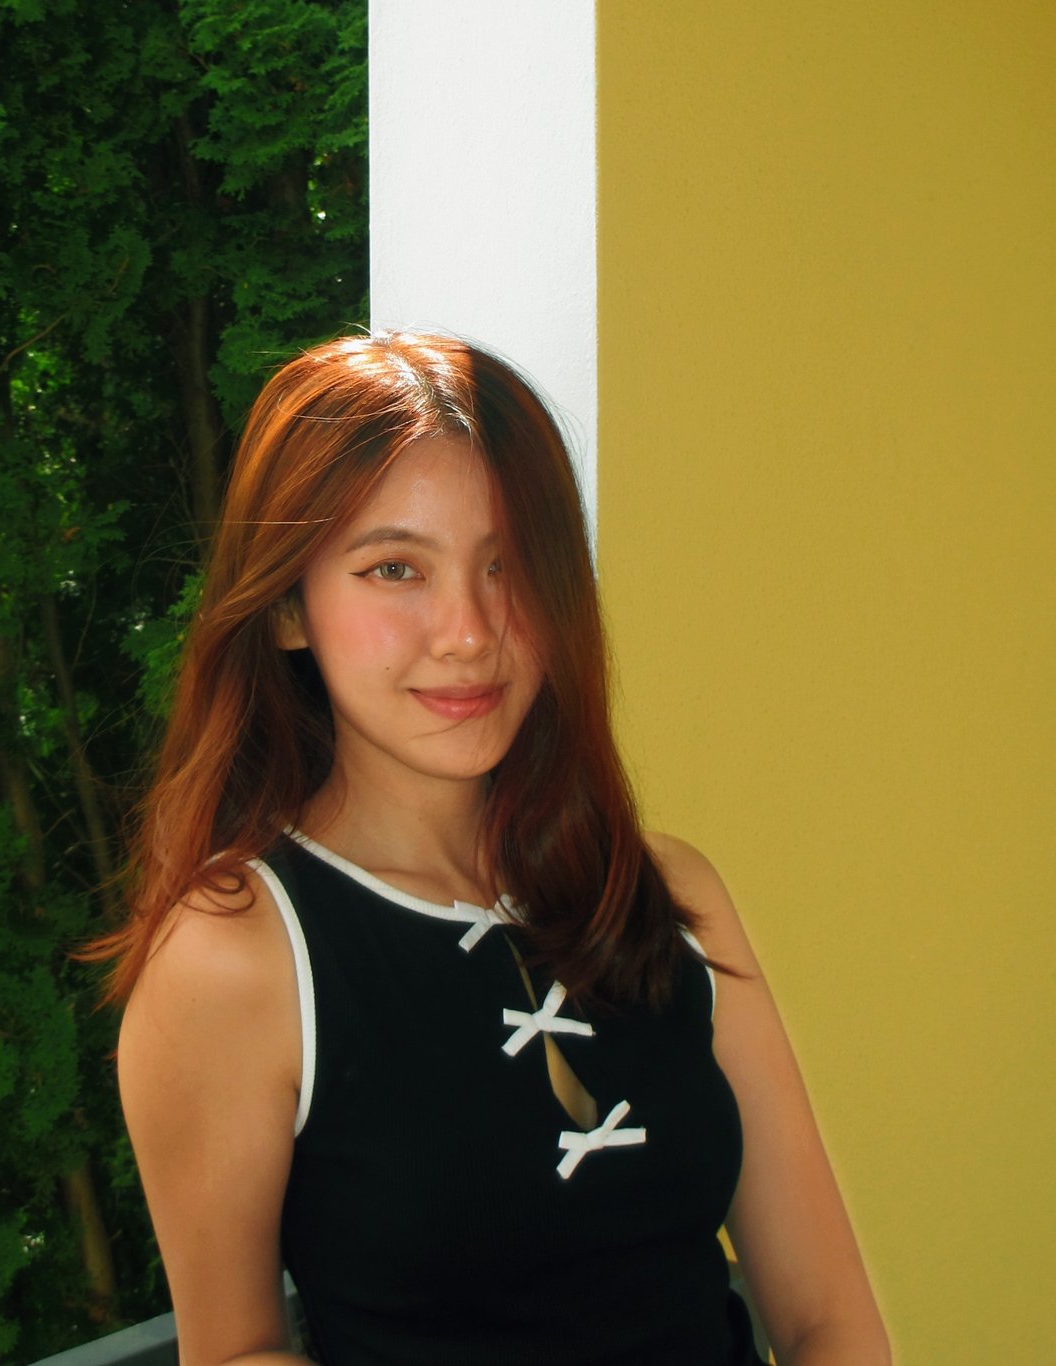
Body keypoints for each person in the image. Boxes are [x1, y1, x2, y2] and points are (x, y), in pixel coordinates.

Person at [96, 333, 890, 1365]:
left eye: (506, 562)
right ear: (288, 606)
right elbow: (237, 1349)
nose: (469, 631)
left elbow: (829, 1318)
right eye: (395, 569)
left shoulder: (666, 890)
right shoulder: (233, 957)